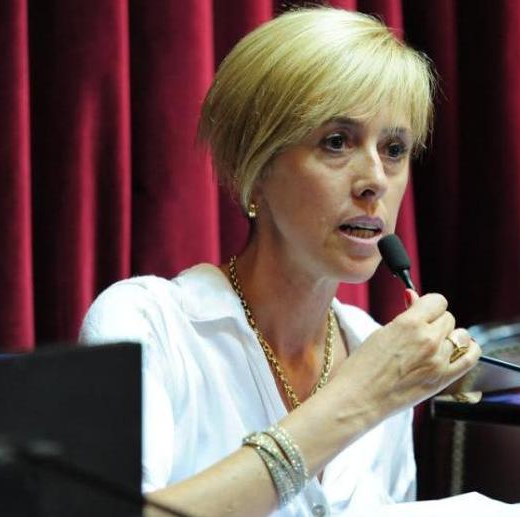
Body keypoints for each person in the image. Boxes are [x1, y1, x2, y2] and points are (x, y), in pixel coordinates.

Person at [79, 7, 481, 517]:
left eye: (394, 149)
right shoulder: (147, 325)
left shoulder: (375, 346)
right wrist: (358, 399)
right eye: (336, 142)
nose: (375, 180)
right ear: (257, 168)